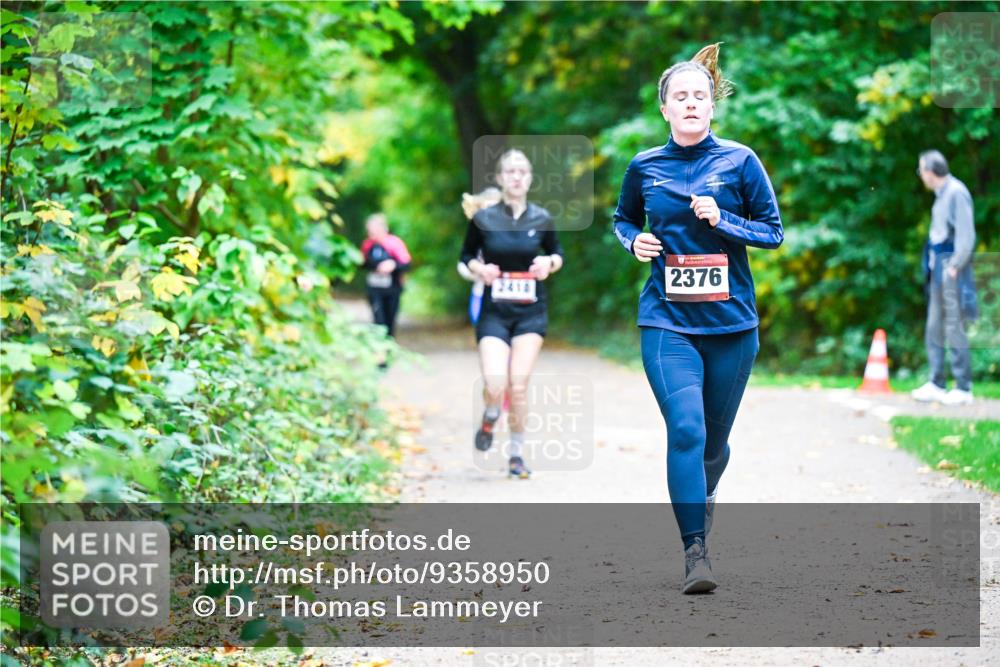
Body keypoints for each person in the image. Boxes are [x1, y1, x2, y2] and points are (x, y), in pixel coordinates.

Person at [611, 44, 783, 594]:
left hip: (732, 325)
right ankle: (696, 552)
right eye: (680, 96)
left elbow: (773, 232)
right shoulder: (645, 167)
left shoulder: (740, 161)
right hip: (666, 321)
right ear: (664, 108)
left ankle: (703, 495)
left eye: (699, 96)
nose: (690, 104)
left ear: (713, 106)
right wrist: (632, 240)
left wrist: (726, 219)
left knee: (713, 443)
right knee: (685, 428)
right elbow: (621, 219)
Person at [460, 150, 564, 479]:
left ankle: (516, 454)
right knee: (495, 382)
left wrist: (549, 264)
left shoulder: (542, 218)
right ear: (501, 178)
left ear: (530, 179)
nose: (517, 177)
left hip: (530, 313)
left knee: (517, 384)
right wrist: (480, 268)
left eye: (522, 171)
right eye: (510, 172)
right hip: (494, 313)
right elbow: (465, 257)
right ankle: (491, 413)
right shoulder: (484, 219)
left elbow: (557, 254)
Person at [911, 150, 978, 406]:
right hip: (938, 267)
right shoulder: (941, 196)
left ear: (930, 171)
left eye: (921, 170)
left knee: (954, 326)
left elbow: (966, 234)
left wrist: (955, 265)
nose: (921, 176)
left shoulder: (956, 192)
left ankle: (963, 386)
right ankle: (937, 383)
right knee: (934, 325)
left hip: (952, 266)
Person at [361, 213, 411, 340]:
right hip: (375, 289)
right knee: (378, 320)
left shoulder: (394, 243)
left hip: (392, 289)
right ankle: (380, 355)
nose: (371, 233)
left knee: (390, 321)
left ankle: (389, 349)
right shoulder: (367, 245)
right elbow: (362, 263)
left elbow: (406, 264)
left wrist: (392, 265)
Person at [458, 188, 502, 325]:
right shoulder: (476, 233)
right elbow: (463, 262)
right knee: (482, 326)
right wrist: (479, 271)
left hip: (507, 294)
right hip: (481, 290)